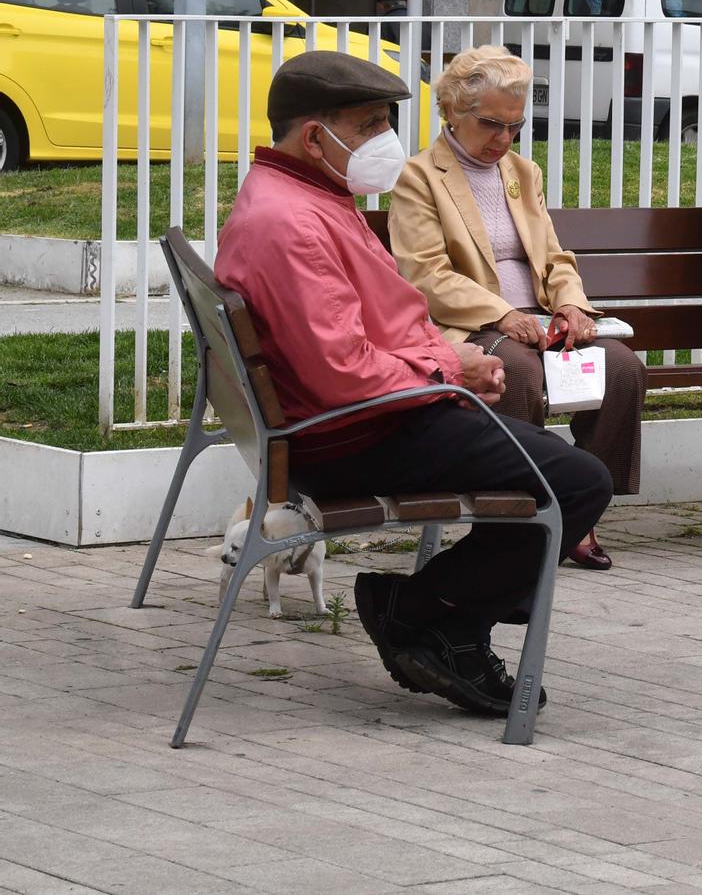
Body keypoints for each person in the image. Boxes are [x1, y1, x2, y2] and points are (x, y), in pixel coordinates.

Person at [214, 51, 612, 716]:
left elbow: (384, 316)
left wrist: (451, 359)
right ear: (316, 136)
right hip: (354, 432)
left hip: (367, 415)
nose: (386, 141)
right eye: (371, 124)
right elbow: (344, 371)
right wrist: (451, 370)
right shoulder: (291, 221)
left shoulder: (306, 195)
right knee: (576, 483)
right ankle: (422, 613)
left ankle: (449, 616)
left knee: (558, 471)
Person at [388, 45, 643, 570]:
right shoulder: (419, 177)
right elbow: (425, 274)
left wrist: (573, 306)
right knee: (516, 375)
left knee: (621, 369)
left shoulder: (521, 172)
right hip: (476, 324)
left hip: (543, 321)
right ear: (452, 112)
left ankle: (579, 512)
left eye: (515, 126)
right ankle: (516, 513)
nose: (503, 139)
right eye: (490, 125)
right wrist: (501, 313)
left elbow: (554, 259)